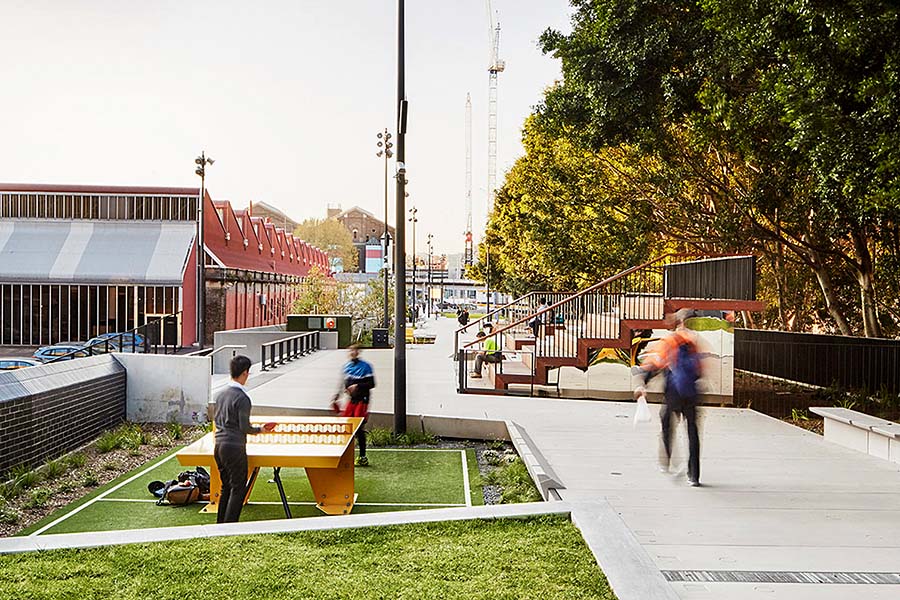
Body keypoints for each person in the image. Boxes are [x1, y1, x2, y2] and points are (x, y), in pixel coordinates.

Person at [635, 310, 702, 486]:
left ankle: (667, 459)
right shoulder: (694, 343)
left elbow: (654, 364)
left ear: (679, 323)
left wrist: (643, 383)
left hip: (673, 393)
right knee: (692, 432)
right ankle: (694, 475)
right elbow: (700, 370)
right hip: (691, 393)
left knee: (666, 422)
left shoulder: (670, 341)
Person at [213, 355, 275, 523]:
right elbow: (244, 427)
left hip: (218, 446)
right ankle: (230, 527)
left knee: (226, 486)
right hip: (234, 446)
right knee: (239, 488)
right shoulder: (242, 398)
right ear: (245, 373)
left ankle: (220, 525)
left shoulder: (220, 395)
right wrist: (261, 429)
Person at [332, 344, 376, 466]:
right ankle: (343, 455)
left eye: (355, 350)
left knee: (358, 429)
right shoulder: (346, 367)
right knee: (346, 427)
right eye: (351, 350)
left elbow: (372, 384)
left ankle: (363, 457)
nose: (353, 352)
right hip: (351, 401)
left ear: (359, 352)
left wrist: (357, 386)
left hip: (363, 400)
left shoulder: (366, 367)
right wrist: (337, 396)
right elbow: (342, 383)